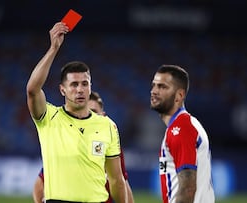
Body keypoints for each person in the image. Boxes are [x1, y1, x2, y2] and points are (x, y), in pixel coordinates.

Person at [26, 22, 127, 203]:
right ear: (62, 90)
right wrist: (53, 49)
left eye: (85, 84)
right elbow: (32, 90)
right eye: (74, 84)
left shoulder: (107, 125)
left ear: (90, 87)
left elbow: (116, 180)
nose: (80, 89)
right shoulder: (49, 117)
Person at [32, 91, 134, 203]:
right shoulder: (66, 146)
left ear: (103, 115)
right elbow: (39, 183)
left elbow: (121, 182)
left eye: (94, 111)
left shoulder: (111, 145)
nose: (88, 115)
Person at [150, 65, 215, 203]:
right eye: (154, 85)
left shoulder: (181, 128)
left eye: (162, 87)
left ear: (179, 95)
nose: (154, 91)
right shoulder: (182, 126)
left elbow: (188, 188)